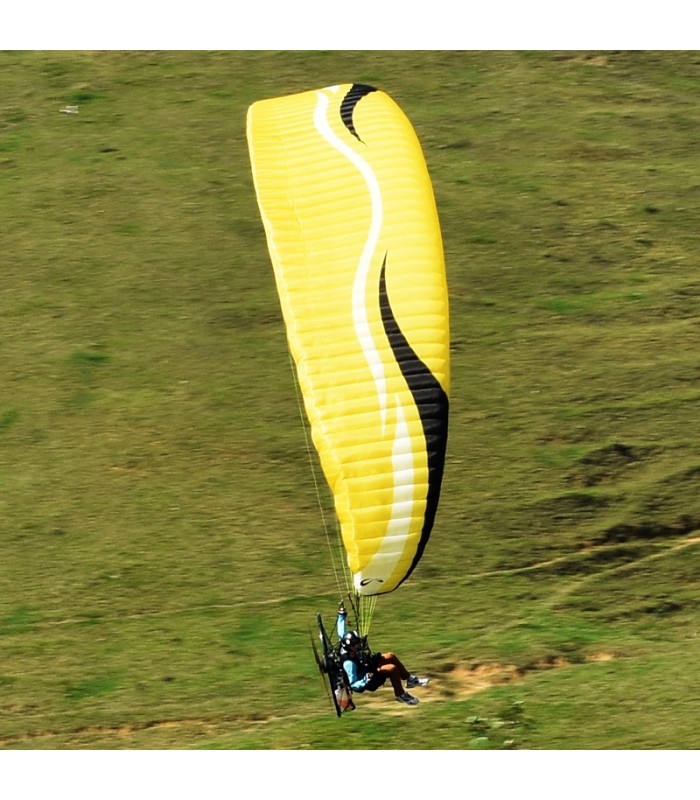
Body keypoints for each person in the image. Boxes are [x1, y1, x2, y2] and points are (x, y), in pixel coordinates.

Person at [336, 605, 429, 706]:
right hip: (368, 677)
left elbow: (341, 631)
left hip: (366, 664)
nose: (359, 645)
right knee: (392, 669)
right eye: (357, 645)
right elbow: (353, 684)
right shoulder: (349, 663)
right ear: (350, 648)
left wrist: (341, 615)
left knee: (390, 656)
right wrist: (365, 680)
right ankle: (400, 695)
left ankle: (409, 680)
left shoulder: (345, 643)